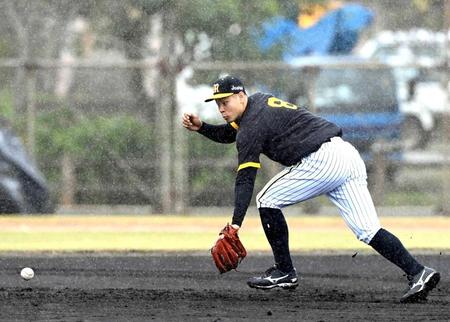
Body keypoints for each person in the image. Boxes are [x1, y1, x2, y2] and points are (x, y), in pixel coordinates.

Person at [182, 75, 440, 303]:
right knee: (368, 230)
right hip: (345, 154)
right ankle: (418, 272)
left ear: (240, 96)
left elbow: (245, 178)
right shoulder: (259, 103)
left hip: (321, 160)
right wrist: (203, 127)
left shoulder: (251, 126)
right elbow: (232, 133)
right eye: (217, 104)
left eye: (225, 102)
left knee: (267, 199)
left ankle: (284, 271)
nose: (221, 108)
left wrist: (236, 224)